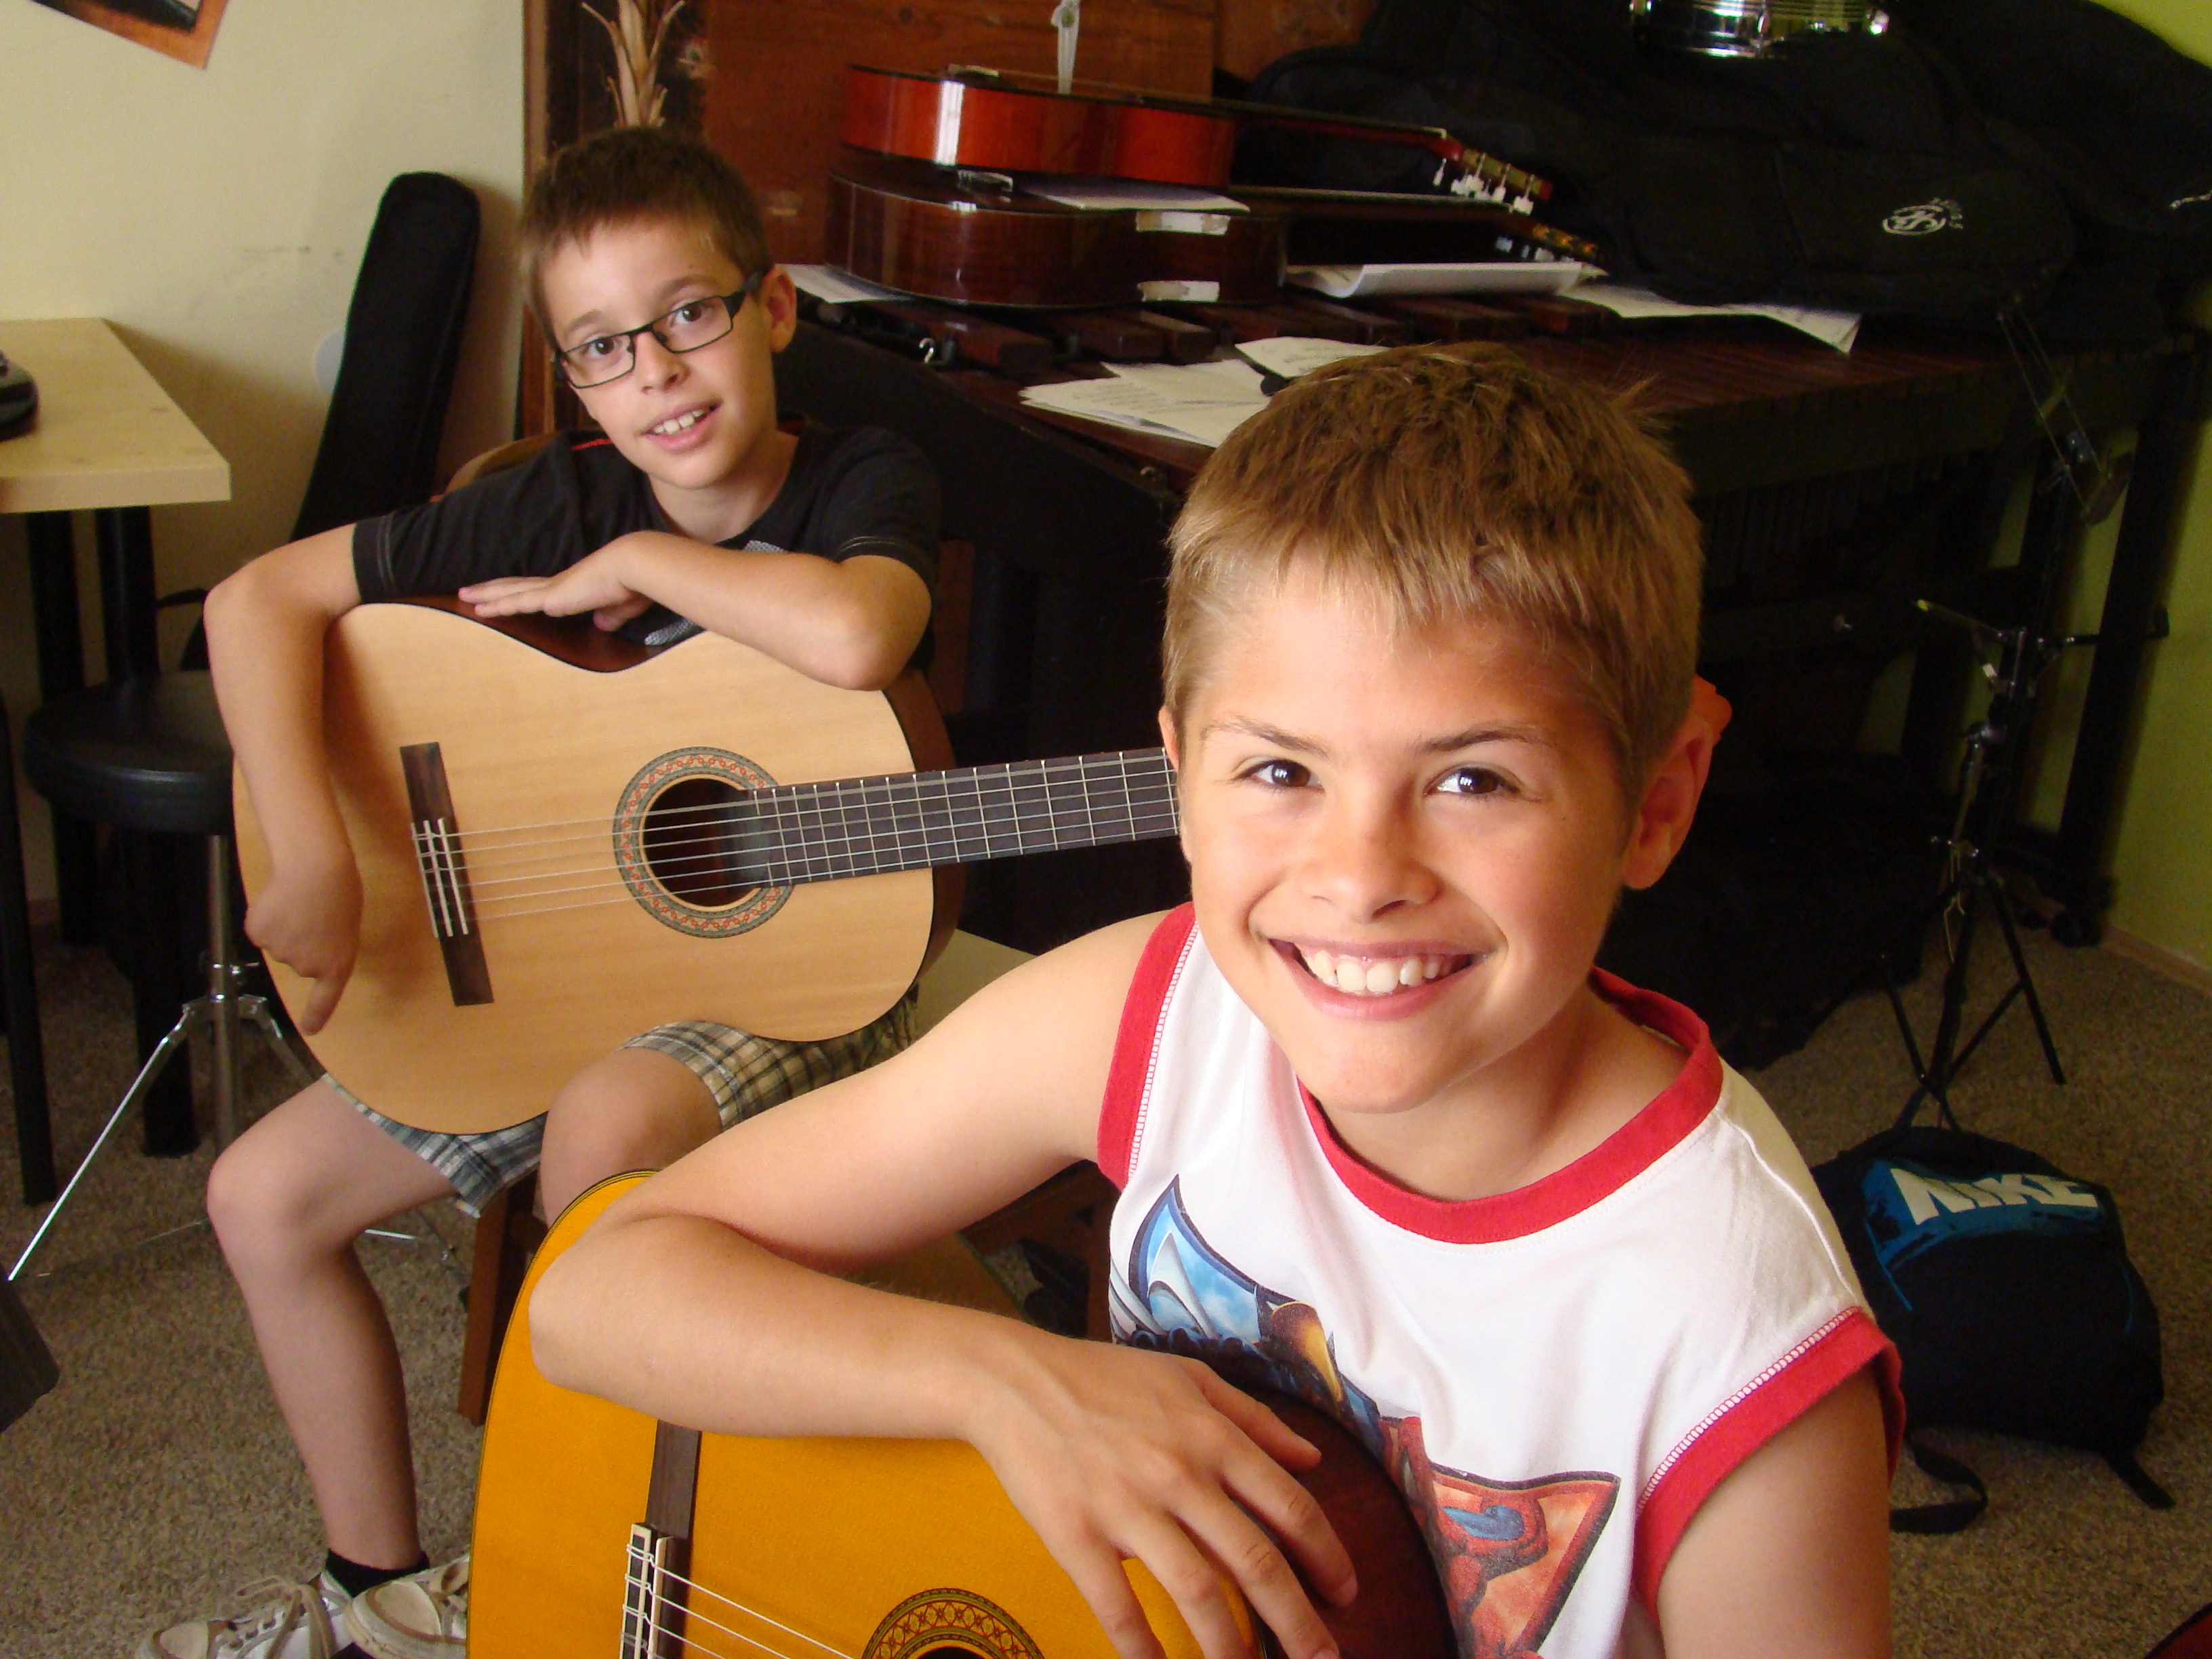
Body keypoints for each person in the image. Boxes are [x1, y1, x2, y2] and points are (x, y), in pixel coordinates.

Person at [529, 343, 1904, 1659]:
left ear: (1655, 803)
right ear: (1181, 777)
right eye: (1281, 772)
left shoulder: (1733, 1344)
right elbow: (595, 1288)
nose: (1360, 879)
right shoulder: (1164, 1011)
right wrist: (1003, 1385)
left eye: (1474, 780)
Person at [146, 125, 939, 1659]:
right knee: (260, 1198)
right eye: (603, 348)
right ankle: (378, 1598)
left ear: (773, 308)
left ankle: (553, 1565)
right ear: (574, 383)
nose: (658, 374)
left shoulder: (862, 474)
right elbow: (256, 603)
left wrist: (642, 556)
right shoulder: (550, 500)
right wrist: (311, 851)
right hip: (544, 962)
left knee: (601, 1124)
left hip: (810, 975)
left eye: (690, 314)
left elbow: (858, 639)